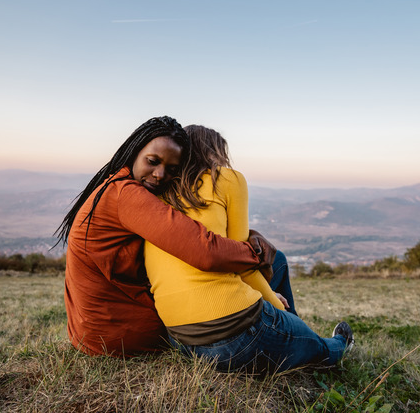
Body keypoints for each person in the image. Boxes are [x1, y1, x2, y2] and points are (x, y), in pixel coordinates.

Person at [55, 116, 276, 357]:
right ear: (135, 150)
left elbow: (187, 229)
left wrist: (252, 237)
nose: (160, 174)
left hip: (90, 332)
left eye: (171, 169)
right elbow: (205, 250)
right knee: (276, 261)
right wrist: (255, 251)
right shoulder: (127, 195)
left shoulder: (115, 185)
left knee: (275, 261)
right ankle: (287, 330)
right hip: (119, 334)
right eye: (152, 161)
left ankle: (284, 326)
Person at [144, 125, 354, 374]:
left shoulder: (158, 191)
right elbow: (242, 263)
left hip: (180, 340)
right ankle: (331, 345)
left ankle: (294, 330)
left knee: (279, 261)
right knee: (322, 350)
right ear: (216, 153)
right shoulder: (227, 178)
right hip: (233, 339)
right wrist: (274, 302)